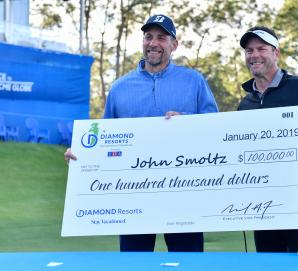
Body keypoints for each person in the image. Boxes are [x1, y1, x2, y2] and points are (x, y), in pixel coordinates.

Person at [64, 14, 218, 252]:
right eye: (148, 37)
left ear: (174, 44)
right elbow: (103, 142)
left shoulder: (194, 81)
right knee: (133, 263)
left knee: (188, 262)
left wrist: (189, 125)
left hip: (183, 196)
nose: (153, 43)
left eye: (161, 37)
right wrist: (82, 155)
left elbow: (215, 131)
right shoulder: (119, 88)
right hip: (133, 200)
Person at [237, 26, 298, 252]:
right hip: (262, 201)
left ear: (275, 53)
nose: (254, 55)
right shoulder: (245, 104)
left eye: (261, 49)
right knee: (270, 261)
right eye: (249, 50)